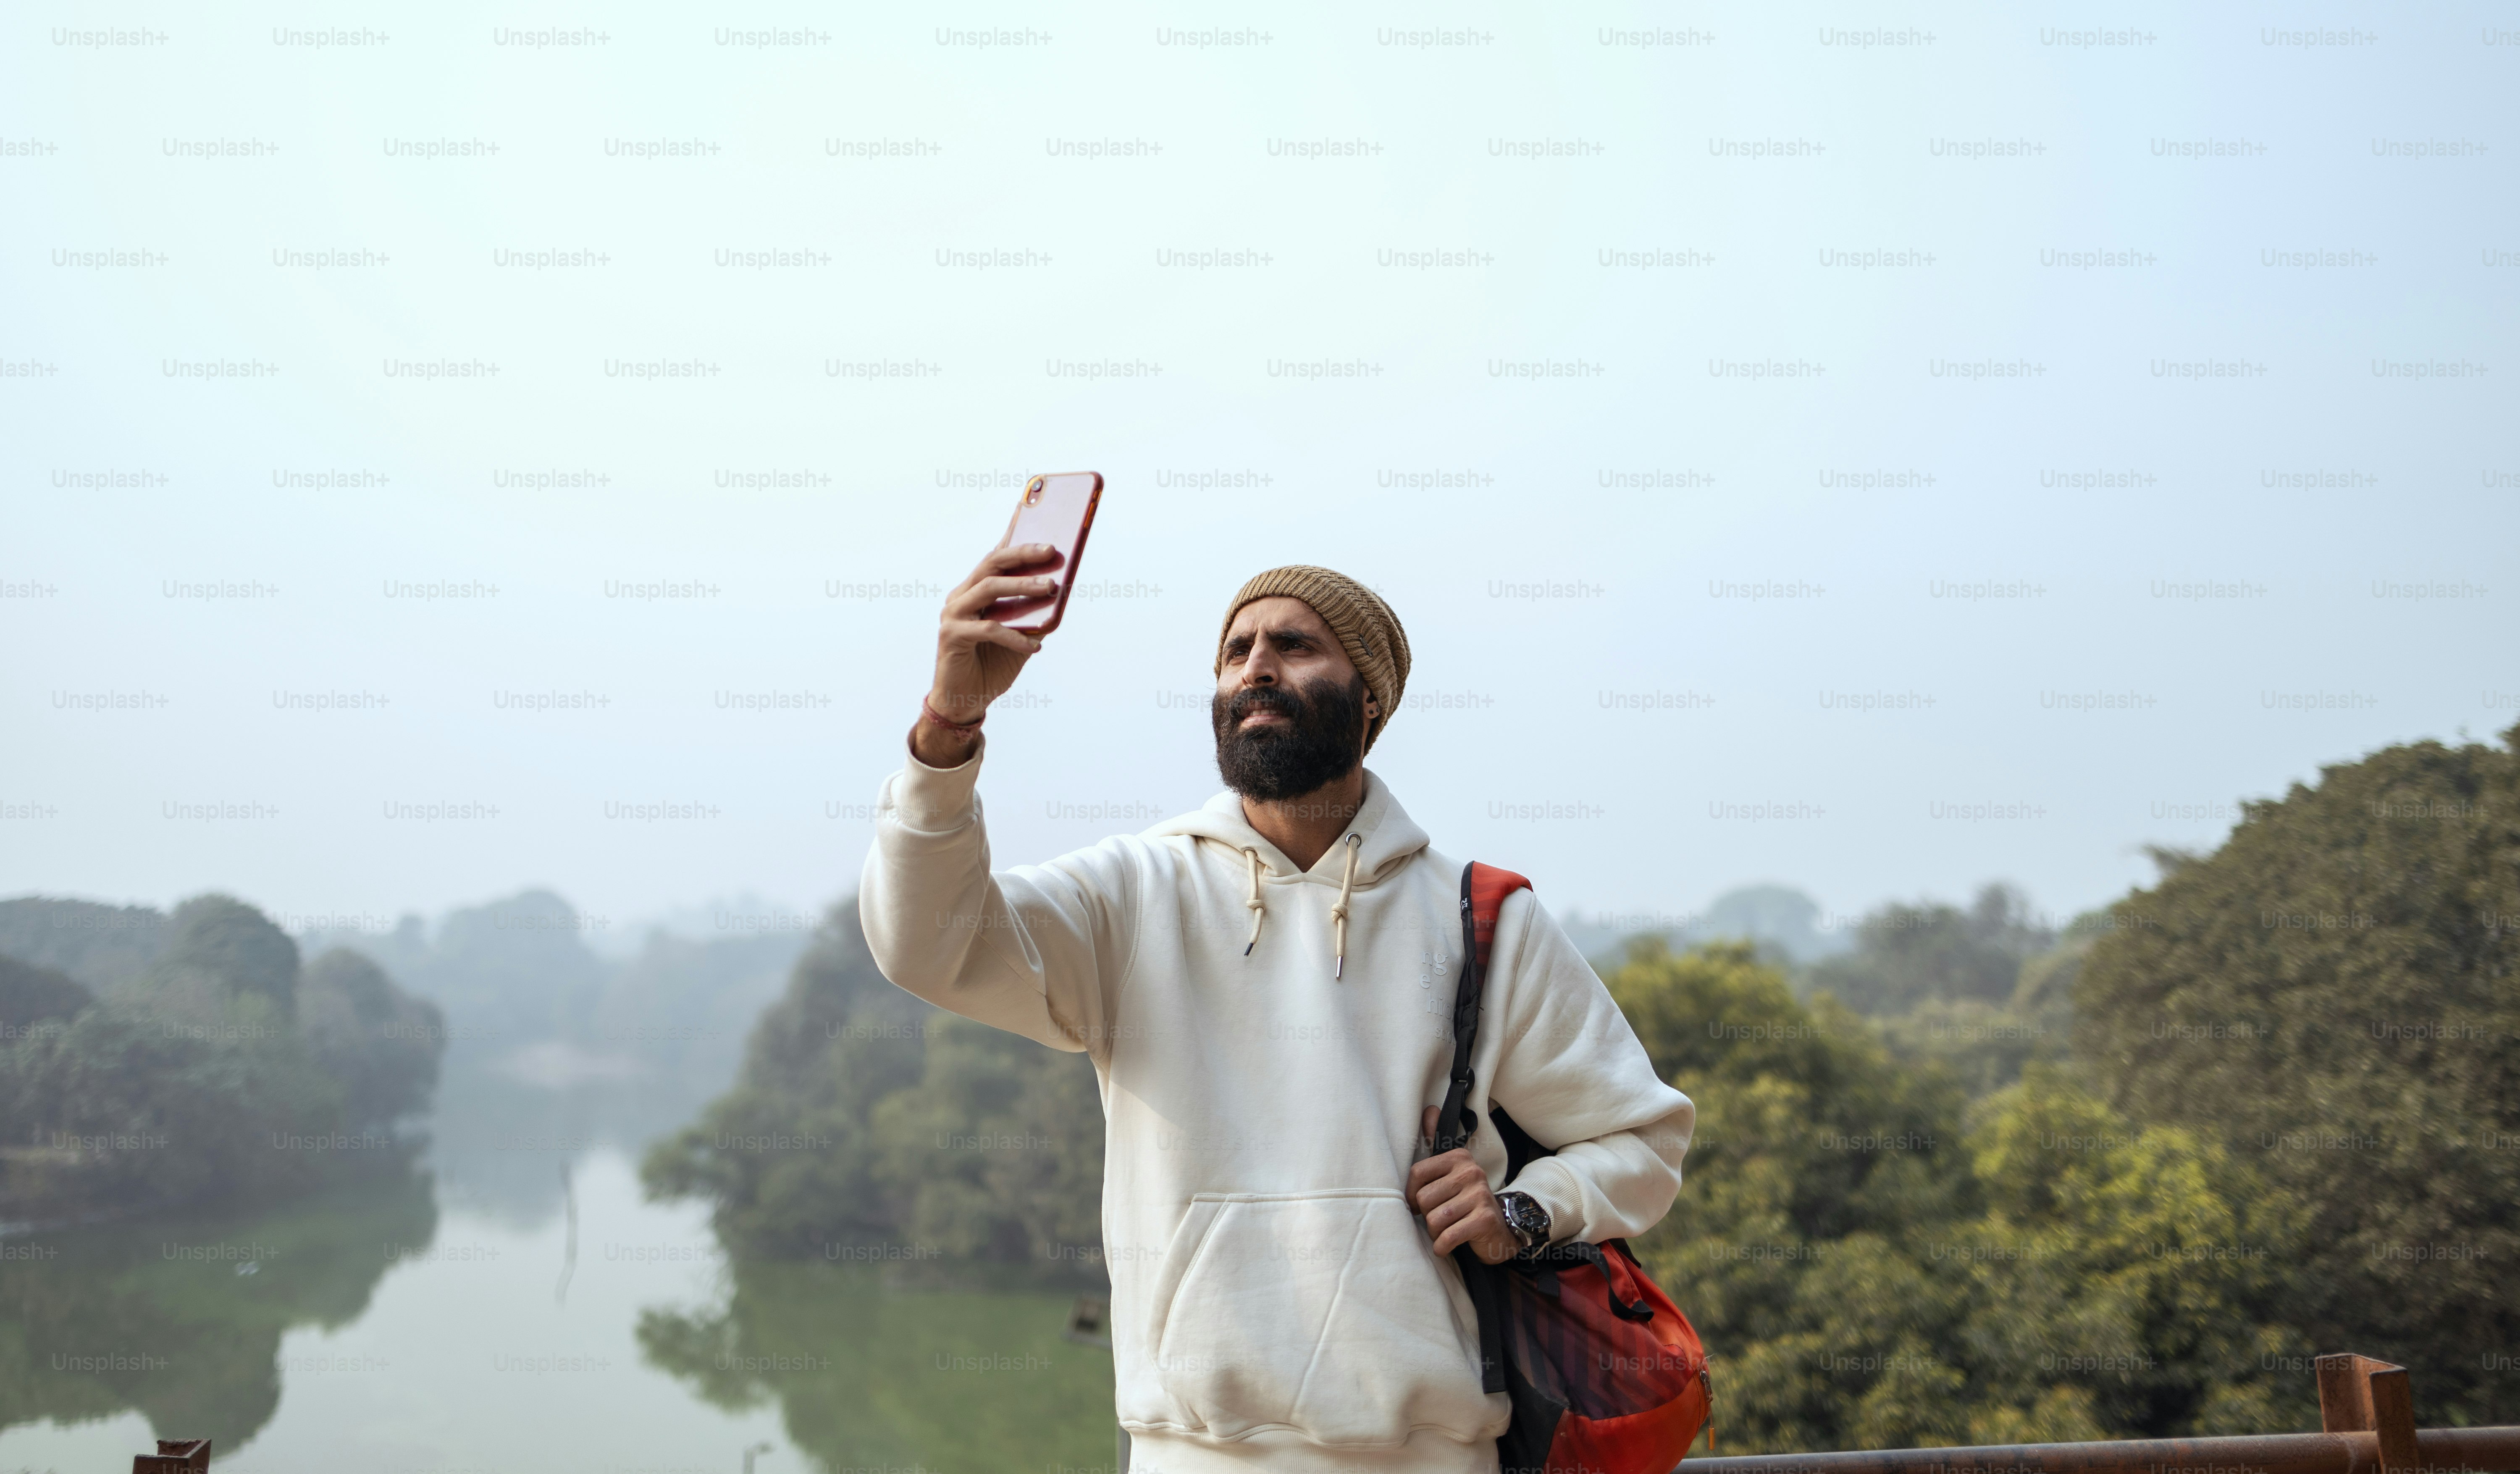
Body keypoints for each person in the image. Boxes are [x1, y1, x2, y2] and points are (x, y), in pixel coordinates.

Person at [861, 549, 1695, 1474]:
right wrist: (948, 729)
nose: (1256, 665)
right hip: (1190, 1453)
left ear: (1370, 701)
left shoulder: (1479, 915)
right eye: (1236, 650)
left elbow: (1642, 1142)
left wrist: (1523, 1210)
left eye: (1295, 645)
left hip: (1434, 1454)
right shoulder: (1134, 891)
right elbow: (929, 945)